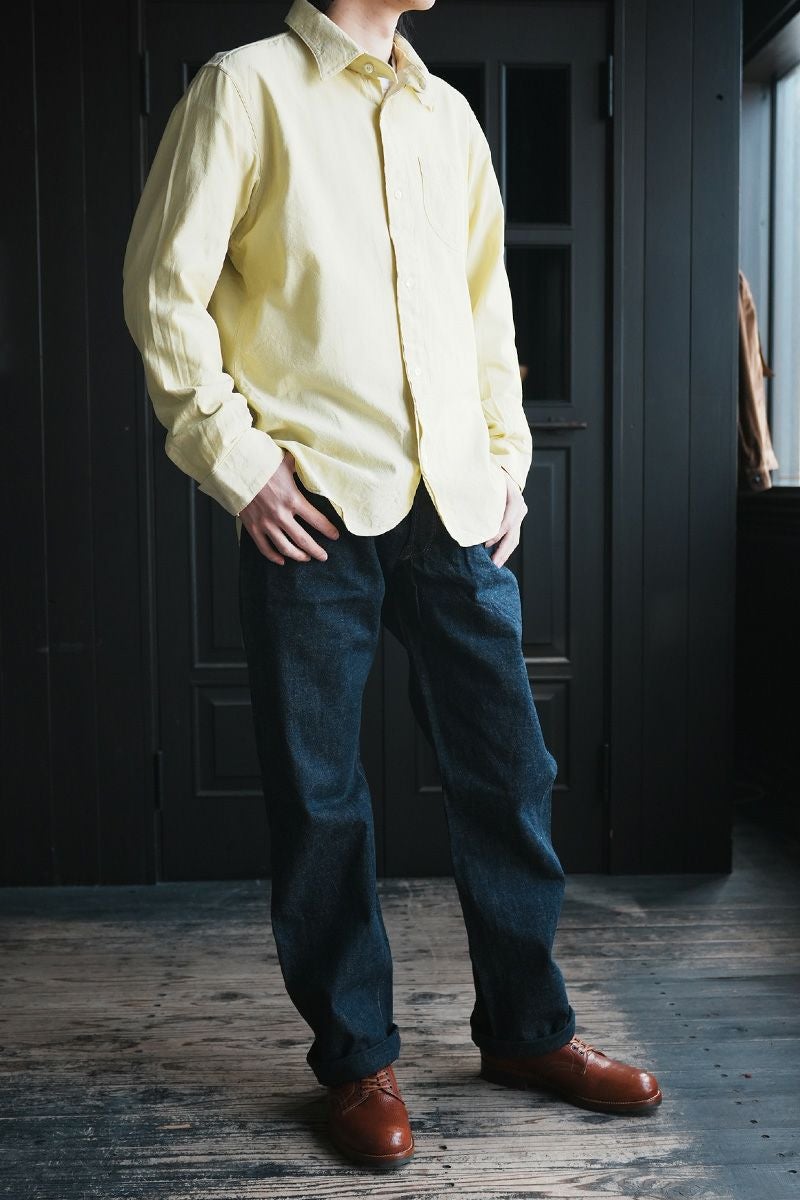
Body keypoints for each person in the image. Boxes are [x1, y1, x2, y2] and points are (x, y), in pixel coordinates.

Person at [122, 0, 662, 1171]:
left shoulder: (447, 117)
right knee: (321, 796)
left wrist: (505, 461)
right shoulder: (243, 89)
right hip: (313, 504)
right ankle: (356, 1059)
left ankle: (527, 1033)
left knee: (509, 772)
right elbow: (162, 293)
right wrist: (240, 466)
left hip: (452, 508)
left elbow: (482, 309)